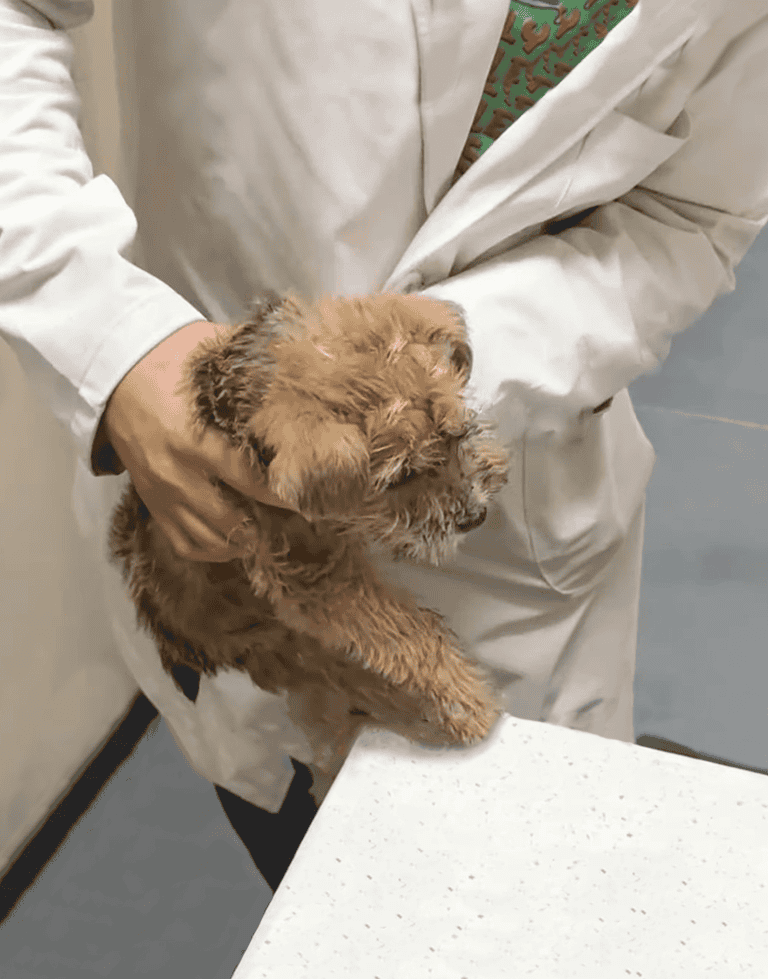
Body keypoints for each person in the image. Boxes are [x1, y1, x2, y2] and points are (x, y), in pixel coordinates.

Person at [2, 0, 767, 892]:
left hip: (504, 548)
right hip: (195, 522)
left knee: (510, 916)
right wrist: (104, 332)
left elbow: (691, 214)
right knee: (286, 842)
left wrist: (450, 363)